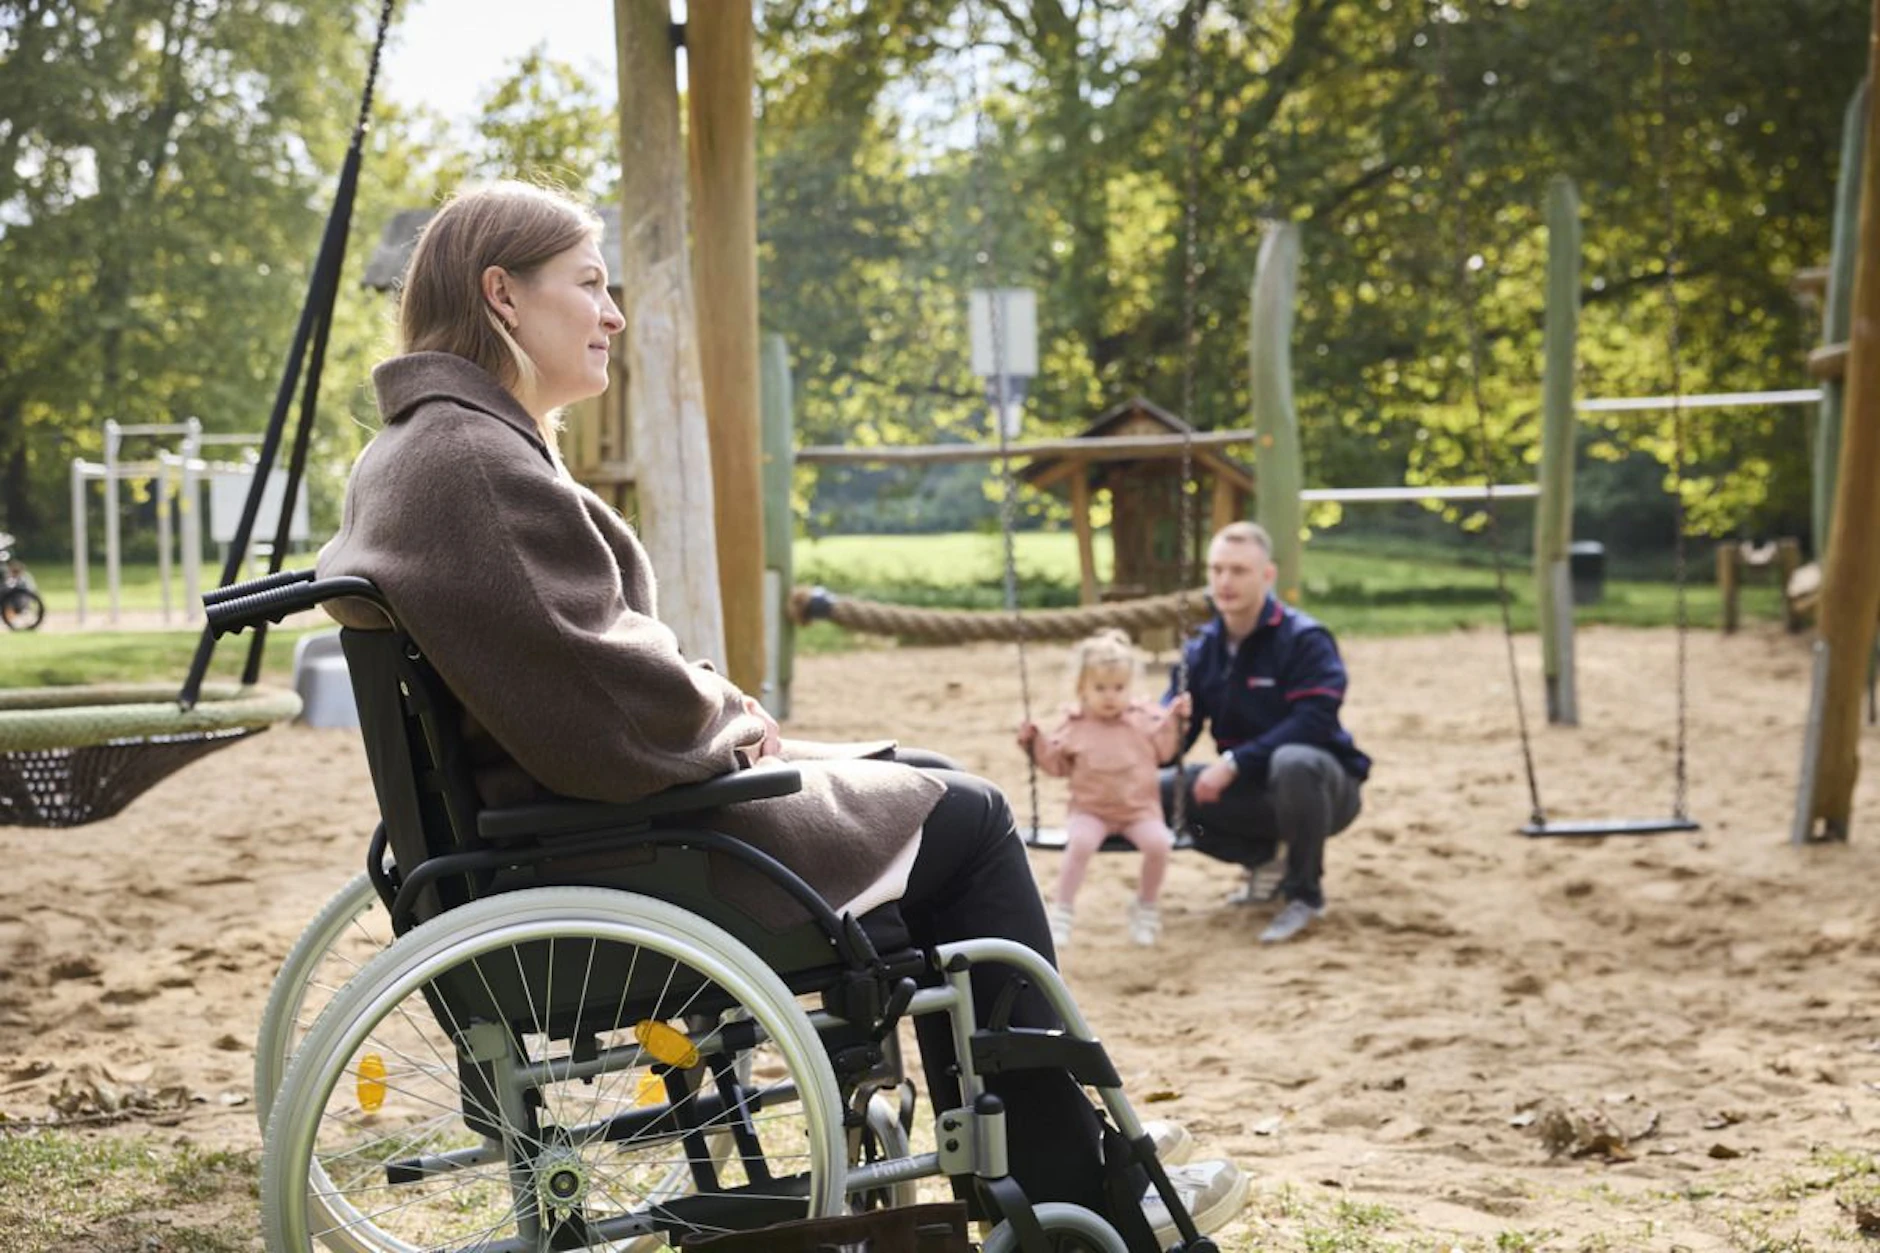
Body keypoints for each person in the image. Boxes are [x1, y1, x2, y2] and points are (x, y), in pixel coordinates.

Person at [315, 182, 1245, 1247]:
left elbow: (576, 665)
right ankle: (1071, 1185)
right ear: (502, 297)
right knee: (974, 820)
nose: (611, 311)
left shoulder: (422, 449)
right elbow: (601, 701)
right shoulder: (471, 461)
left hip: (559, 840)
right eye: (588, 283)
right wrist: (725, 716)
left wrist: (714, 708)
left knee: (930, 779)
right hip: (630, 856)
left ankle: (1054, 1154)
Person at [1162, 521, 1370, 943]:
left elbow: (1315, 720)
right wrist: (1163, 731)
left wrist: (1235, 762)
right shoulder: (1201, 649)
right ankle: (1264, 859)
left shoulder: (1304, 639)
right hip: (1250, 793)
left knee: (1292, 761)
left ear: (1267, 575)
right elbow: (1172, 747)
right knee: (1156, 789)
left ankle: (1305, 894)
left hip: (1325, 789)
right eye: (1217, 569)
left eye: (1239, 571)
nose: (1225, 581)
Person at [1018, 628, 1189, 948]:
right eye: (1100, 688)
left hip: (1139, 811)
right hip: (1091, 810)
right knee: (1080, 845)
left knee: (1159, 845)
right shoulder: (1076, 725)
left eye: (1119, 687)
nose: (1110, 695)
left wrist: (1176, 721)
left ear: (1131, 688)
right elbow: (1056, 765)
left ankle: (1146, 905)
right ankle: (1062, 910)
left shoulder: (1143, 720)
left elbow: (1166, 752)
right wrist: (1035, 742)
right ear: (1082, 688)